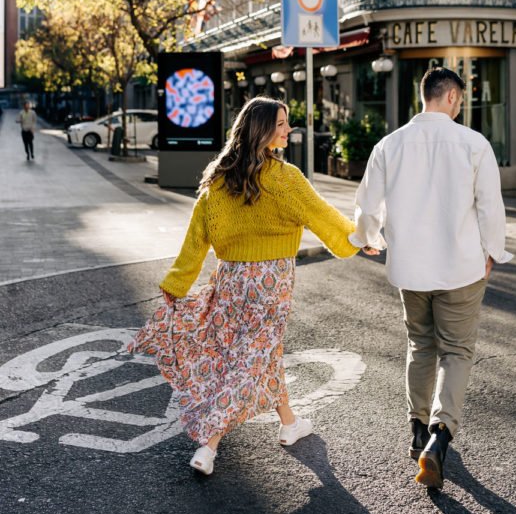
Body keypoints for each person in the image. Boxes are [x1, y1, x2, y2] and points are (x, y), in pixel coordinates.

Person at [129, 96, 378, 475]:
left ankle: (289, 422)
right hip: (271, 281)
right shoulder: (286, 178)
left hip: (230, 279)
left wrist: (178, 282)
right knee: (249, 358)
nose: (287, 130)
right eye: (280, 124)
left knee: (258, 352)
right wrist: (358, 239)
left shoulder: (218, 176)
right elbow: (323, 217)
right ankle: (208, 445)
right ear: (261, 129)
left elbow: (197, 237)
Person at [349, 67, 513, 490]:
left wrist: (369, 239)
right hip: (461, 267)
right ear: (454, 97)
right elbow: (490, 207)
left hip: (411, 268)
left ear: (424, 97)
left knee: (420, 344)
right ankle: (439, 438)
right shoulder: (474, 144)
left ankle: (417, 430)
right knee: (456, 351)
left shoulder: (390, 144)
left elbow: (368, 204)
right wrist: (493, 251)